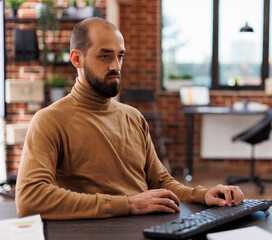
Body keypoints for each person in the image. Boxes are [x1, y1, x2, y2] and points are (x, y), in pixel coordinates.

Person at [15, 17, 244, 220]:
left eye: (120, 56)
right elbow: (30, 198)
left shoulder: (133, 116)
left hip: (149, 226)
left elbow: (160, 182)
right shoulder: (49, 120)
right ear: (77, 59)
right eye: (105, 56)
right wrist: (129, 204)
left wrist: (203, 194)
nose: (116, 66)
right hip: (96, 232)